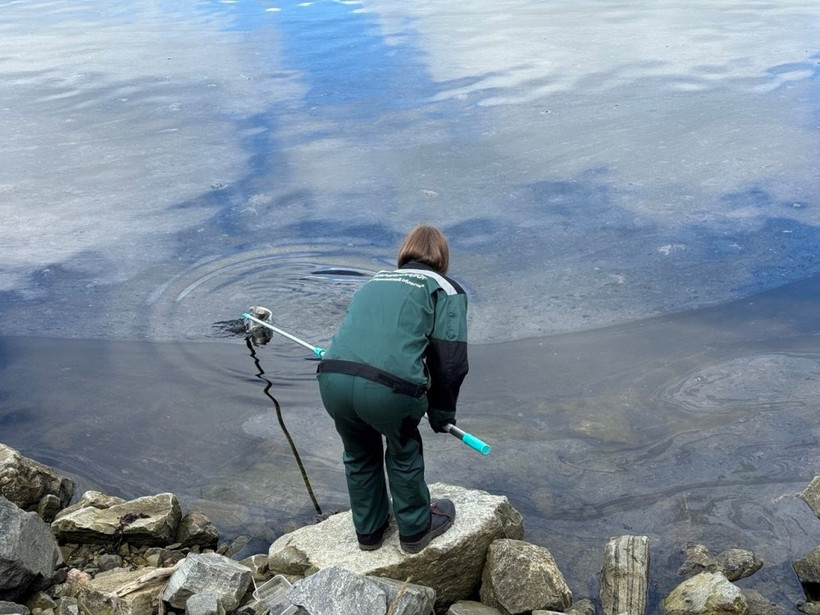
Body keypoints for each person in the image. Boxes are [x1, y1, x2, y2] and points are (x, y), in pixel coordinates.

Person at [316, 225, 469, 553]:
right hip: (389, 391)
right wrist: (441, 414)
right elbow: (450, 359)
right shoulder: (446, 288)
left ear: (405, 251)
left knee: (358, 452)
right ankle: (415, 529)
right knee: (402, 449)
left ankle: (369, 533)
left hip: (332, 377)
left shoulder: (375, 280)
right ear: (442, 258)